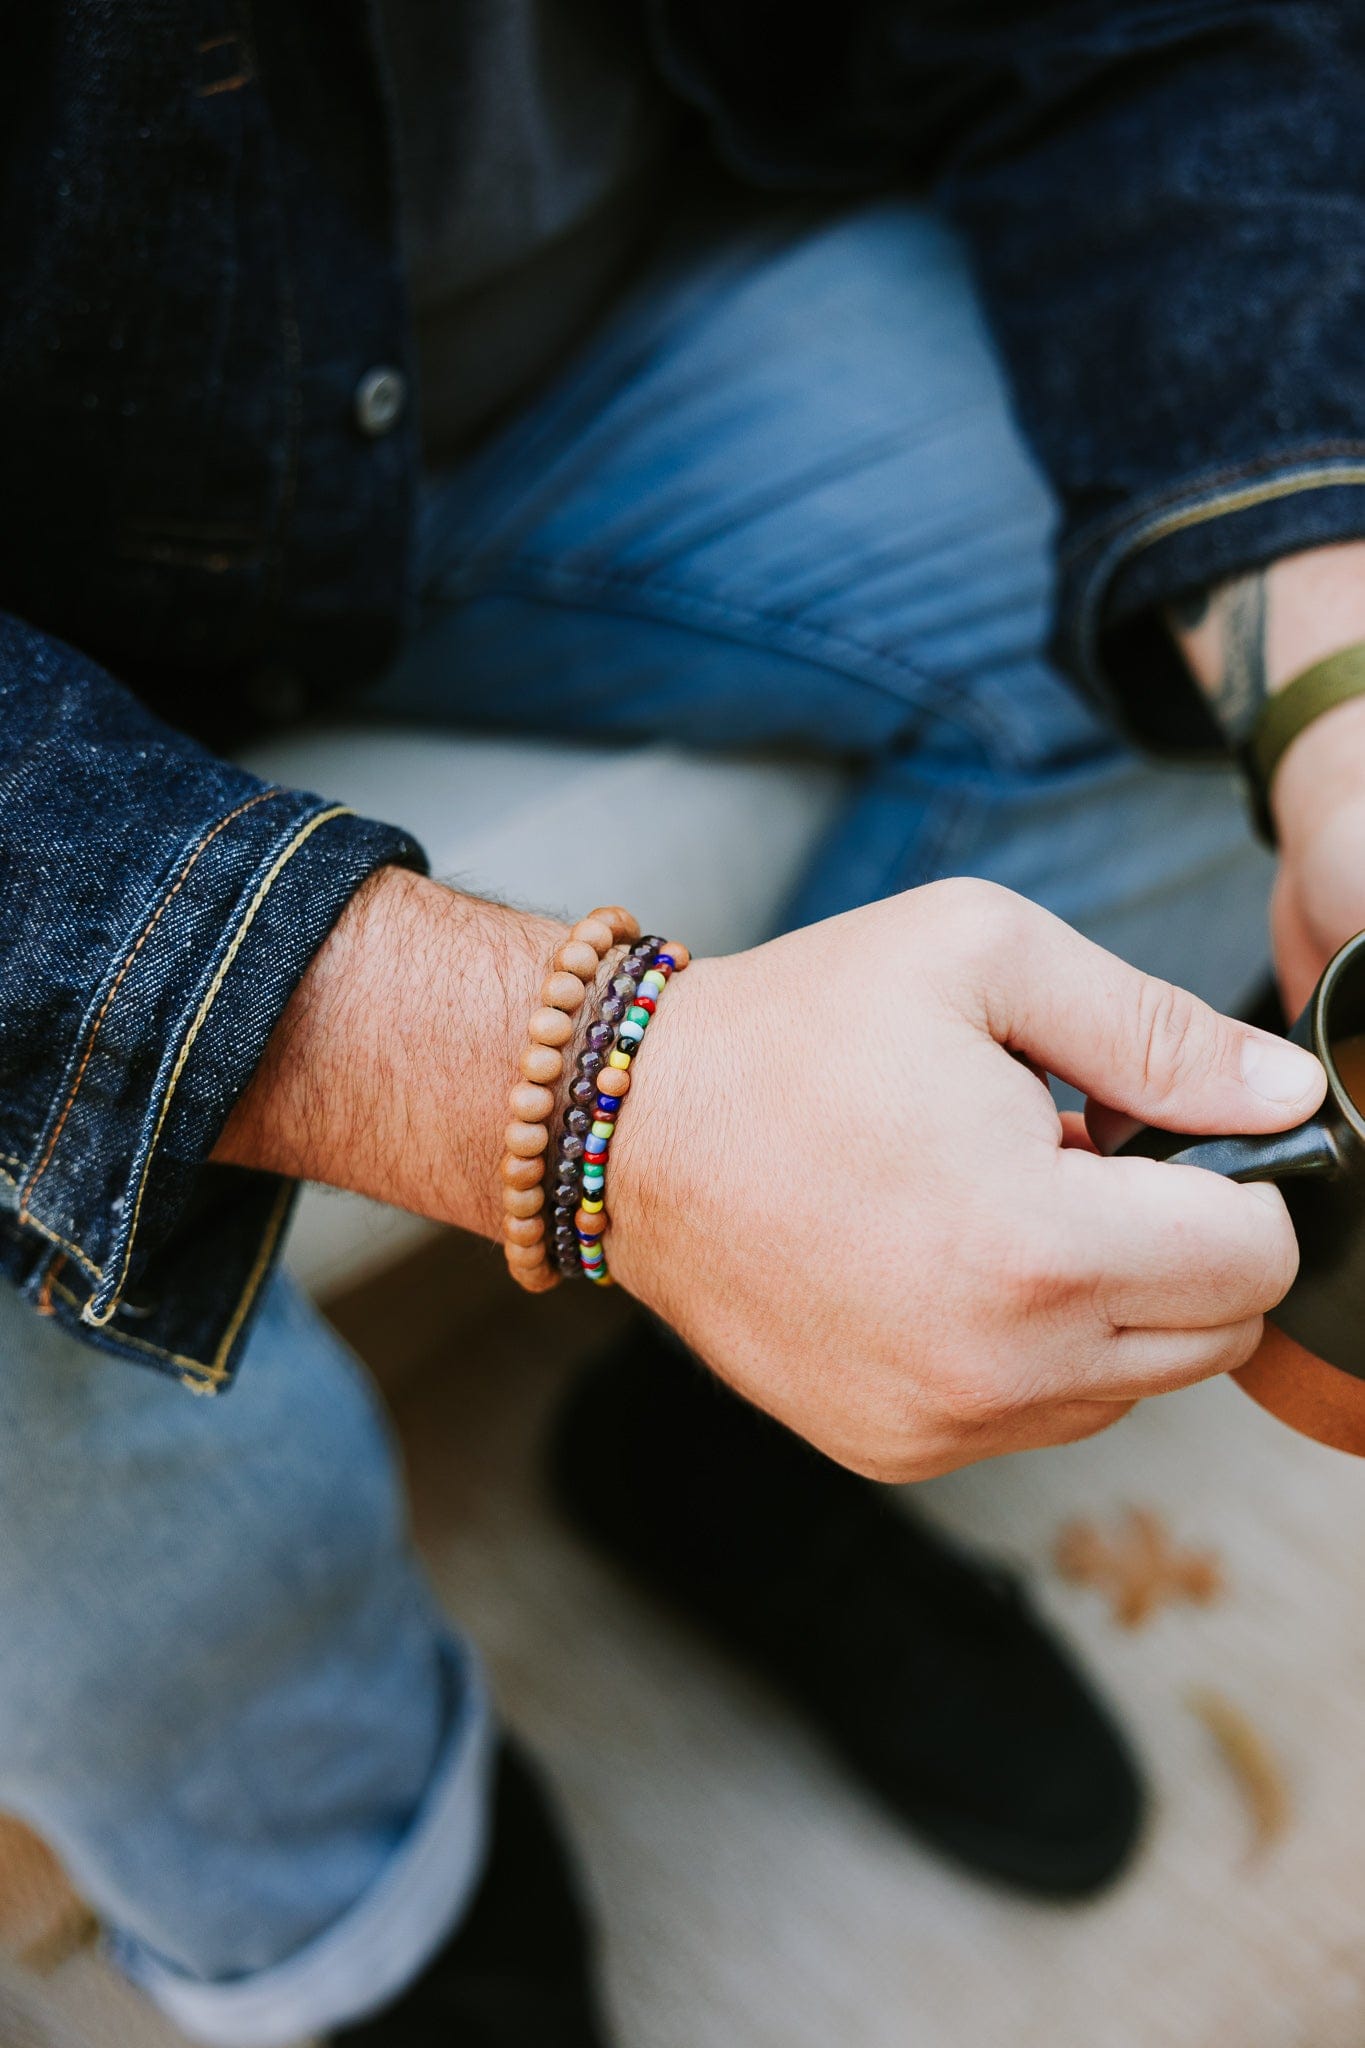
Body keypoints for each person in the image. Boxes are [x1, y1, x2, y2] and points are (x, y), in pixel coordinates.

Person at [0, 4, 1359, 2043]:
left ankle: (731, 1446)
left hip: (560, 353)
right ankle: (376, 1926)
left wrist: (1327, 697)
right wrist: (596, 1106)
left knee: (1164, 597)